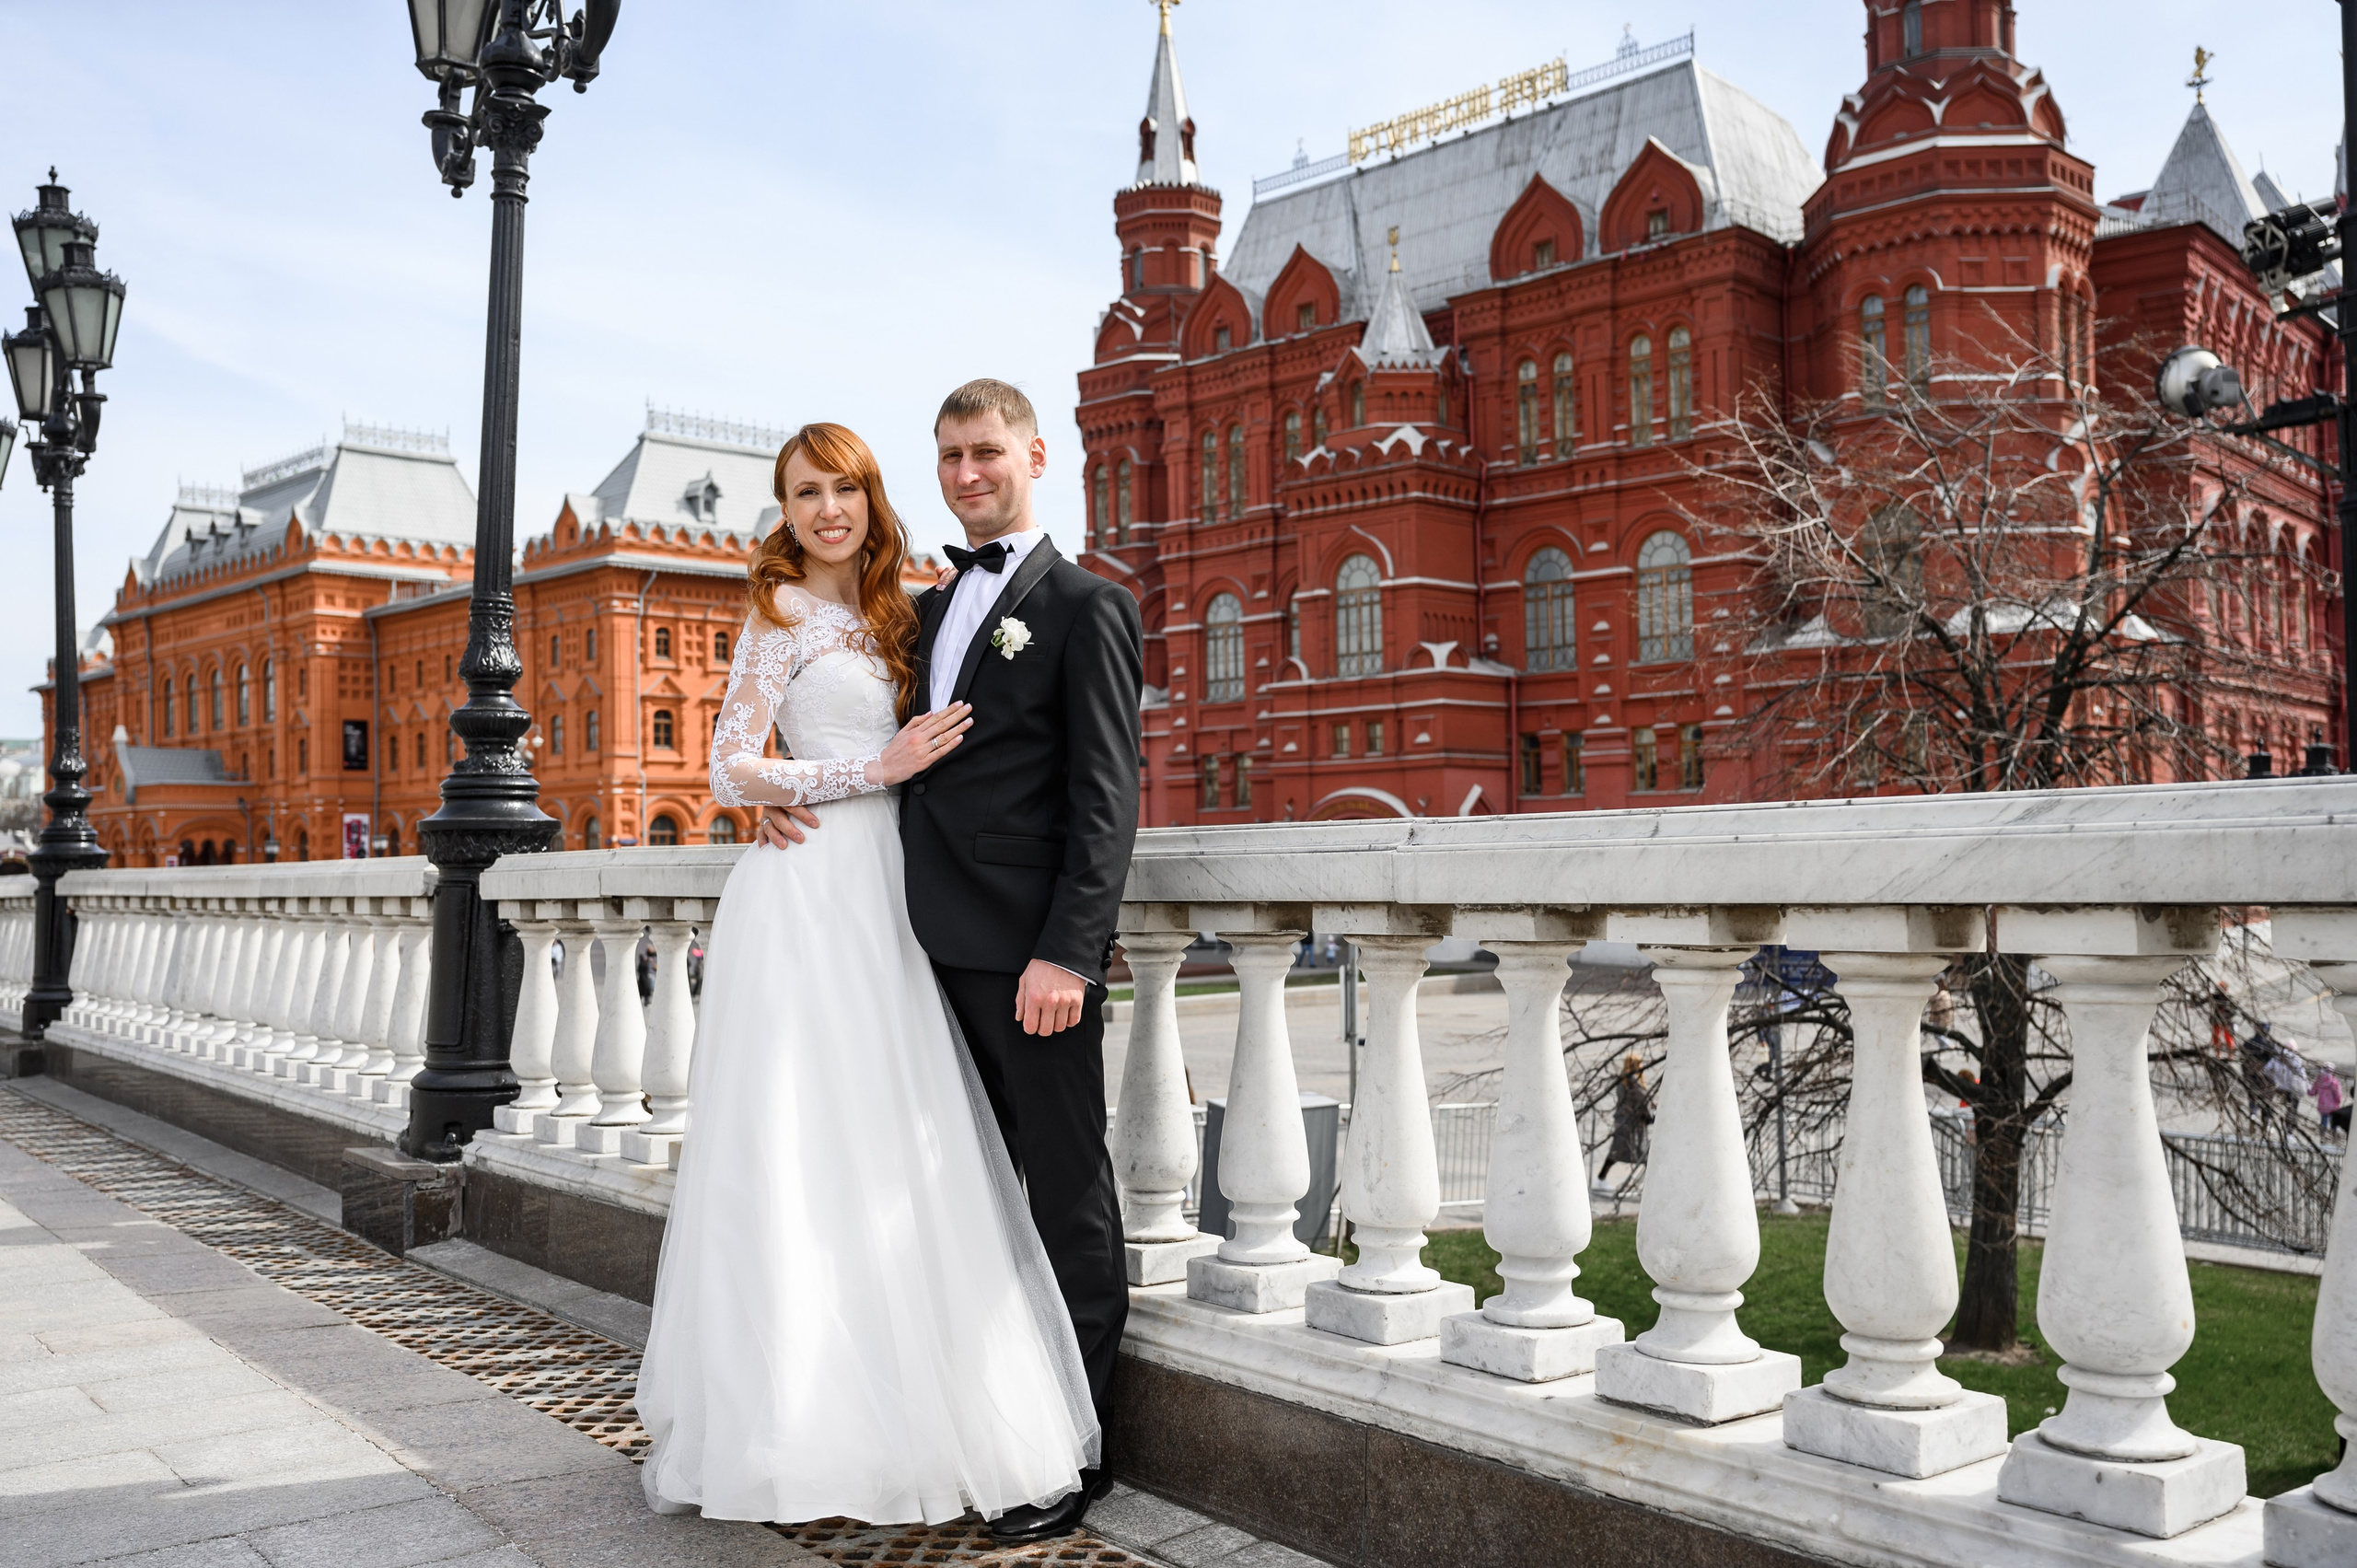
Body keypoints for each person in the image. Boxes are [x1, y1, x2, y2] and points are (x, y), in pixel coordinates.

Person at [634, 420, 1103, 1529]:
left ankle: (905, 1407)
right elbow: (728, 762)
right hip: (807, 894)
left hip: (898, 897)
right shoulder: (778, 611)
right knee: (799, 1145)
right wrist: (864, 767)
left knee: (900, 1146)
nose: (825, 510)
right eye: (804, 494)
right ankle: (799, 1423)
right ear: (783, 510)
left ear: (869, 495)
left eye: (842, 488)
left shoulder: (906, 608)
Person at [757, 380, 1144, 1544]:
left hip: (1028, 961)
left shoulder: (1087, 604)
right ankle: (976, 1425)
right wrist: (766, 803)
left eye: (985, 452)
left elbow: (1106, 799)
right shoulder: (921, 610)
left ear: (1034, 454)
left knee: (1064, 1190)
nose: (967, 472)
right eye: (948, 457)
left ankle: (1077, 1449)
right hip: (907, 947)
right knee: (958, 1202)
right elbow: (849, 743)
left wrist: (1067, 953)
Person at [1596, 1053, 1654, 1184]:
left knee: (1618, 1152)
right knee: (1640, 1153)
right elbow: (1642, 1100)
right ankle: (1651, 1184)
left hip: (1625, 1121)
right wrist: (1651, 1116)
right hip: (1630, 1123)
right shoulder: (1632, 1081)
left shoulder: (1624, 1080)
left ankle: (1601, 1179)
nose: (1643, 1066)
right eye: (1640, 1063)